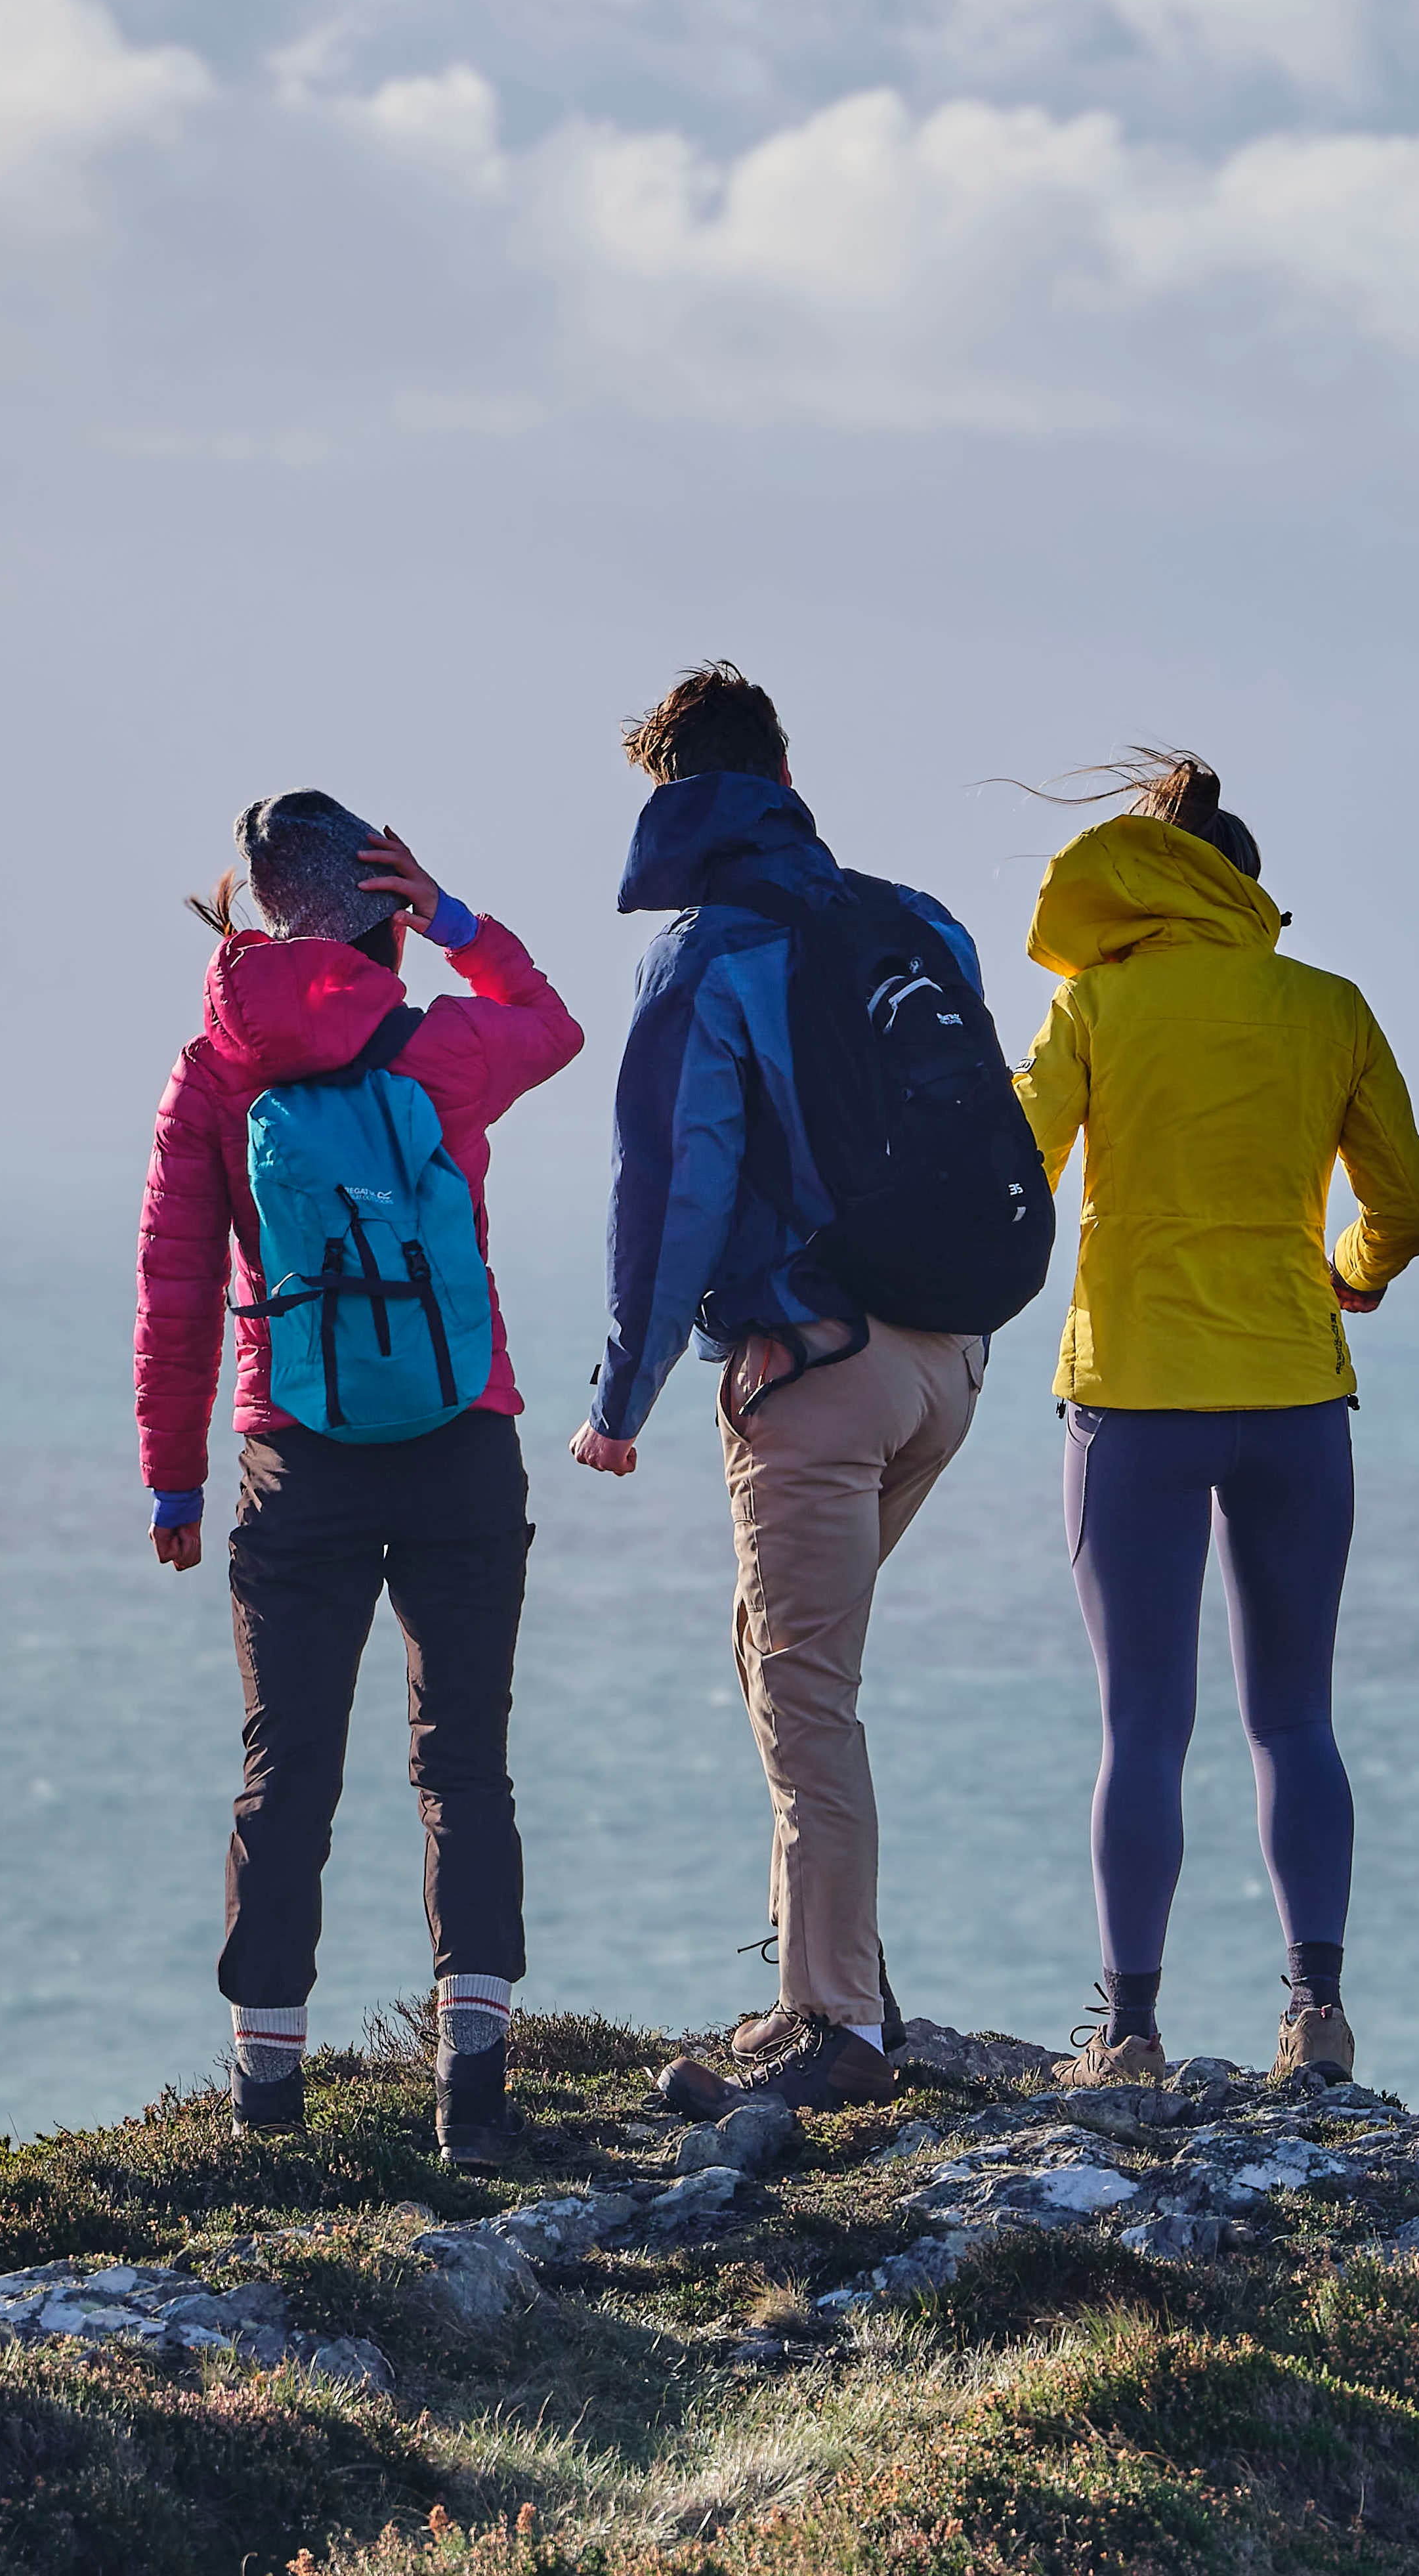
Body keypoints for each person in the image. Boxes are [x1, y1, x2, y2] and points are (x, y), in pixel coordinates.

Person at [574, 662, 1007, 2118]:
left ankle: (839, 2023)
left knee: (804, 1689)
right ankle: (819, 1983)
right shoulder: (915, 918)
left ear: (673, 795)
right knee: (777, 1655)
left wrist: (617, 1398)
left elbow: (674, 1190)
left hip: (815, 1365)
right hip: (951, 1355)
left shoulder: (711, 951)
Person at [134, 792, 587, 2163]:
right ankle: (476, 2099)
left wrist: (174, 1481)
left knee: (287, 1772)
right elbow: (554, 1020)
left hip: (295, 1456)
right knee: (462, 1764)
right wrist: (451, 916)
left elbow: (173, 1283)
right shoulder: (441, 1042)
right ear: (372, 892)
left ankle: (267, 2111)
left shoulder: (215, 1069)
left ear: (259, 901)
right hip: (457, 1436)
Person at [1009, 752, 1419, 2089]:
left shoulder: (1096, 1006)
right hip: (1295, 1395)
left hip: (1131, 1397)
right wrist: (1347, 1275)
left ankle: (1127, 2035)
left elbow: (1015, 1171)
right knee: (1293, 1718)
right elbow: (1407, 1202)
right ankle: (1315, 2018)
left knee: (1143, 1725)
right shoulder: (1327, 1006)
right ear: (1247, 894)